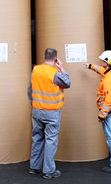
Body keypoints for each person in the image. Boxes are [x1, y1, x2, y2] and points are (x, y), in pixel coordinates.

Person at [28, 48, 71, 180]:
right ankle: (48, 171)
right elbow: (67, 83)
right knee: (51, 140)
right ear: (55, 59)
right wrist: (62, 68)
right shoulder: (55, 73)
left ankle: (34, 167)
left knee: (37, 138)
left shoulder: (35, 70)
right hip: (51, 112)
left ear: (43, 56)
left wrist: (33, 103)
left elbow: (30, 89)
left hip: (37, 110)